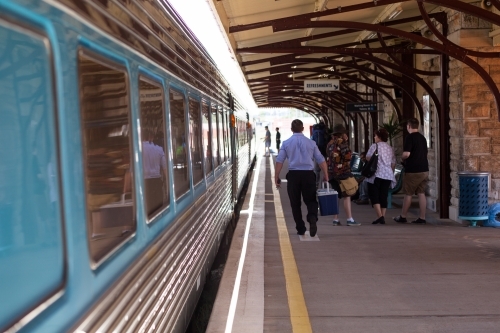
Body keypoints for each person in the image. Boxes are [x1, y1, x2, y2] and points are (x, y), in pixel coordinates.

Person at [275, 119, 329, 237]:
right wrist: (326, 175)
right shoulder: (311, 143)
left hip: (293, 176)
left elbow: (279, 161)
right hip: (308, 175)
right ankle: (312, 217)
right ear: (303, 129)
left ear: (291, 129)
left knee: (295, 203)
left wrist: (276, 177)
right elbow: (321, 160)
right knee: (311, 200)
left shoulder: (286, 143)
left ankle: (300, 228)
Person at [394, 117, 429, 224]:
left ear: (409, 126)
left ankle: (403, 216)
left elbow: (406, 154)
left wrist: (402, 158)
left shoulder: (410, 138)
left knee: (408, 193)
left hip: (413, 170)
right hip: (424, 169)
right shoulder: (423, 138)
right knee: (421, 193)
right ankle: (422, 217)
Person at [326, 124, 361, 226]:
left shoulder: (330, 143)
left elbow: (328, 155)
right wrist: (346, 143)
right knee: (347, 195)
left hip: (331, 171)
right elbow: (348, 157)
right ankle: (349, 219)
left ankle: (335, 219)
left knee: (336, 195)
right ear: (342, 133)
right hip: (342, 172)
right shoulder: (342, 143)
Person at [365, 129, 396, 224]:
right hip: (387, 174)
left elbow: (368, 157)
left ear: (379, 137)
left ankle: (380, 216)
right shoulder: (390, 148)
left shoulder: (375, 146)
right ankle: (382, 216)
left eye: (375, 136)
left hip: (376, 174)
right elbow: (393, 163)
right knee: (383, 195)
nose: (374, 137)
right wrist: (390, 171)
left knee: (374, 195)